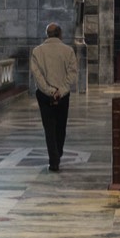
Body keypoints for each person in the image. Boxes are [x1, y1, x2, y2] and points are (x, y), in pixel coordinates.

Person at [30, 23, 78, 171]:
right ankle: (58, 152)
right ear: (60, 34)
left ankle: (54, 160)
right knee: (61, 126)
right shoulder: (68, 50)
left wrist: (49, 91)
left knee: (49, 127)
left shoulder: (37, 51)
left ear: (47, 34)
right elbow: (72, 73)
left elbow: (37, 75)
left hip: (44, 95)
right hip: (63, 96)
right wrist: (60, 91)